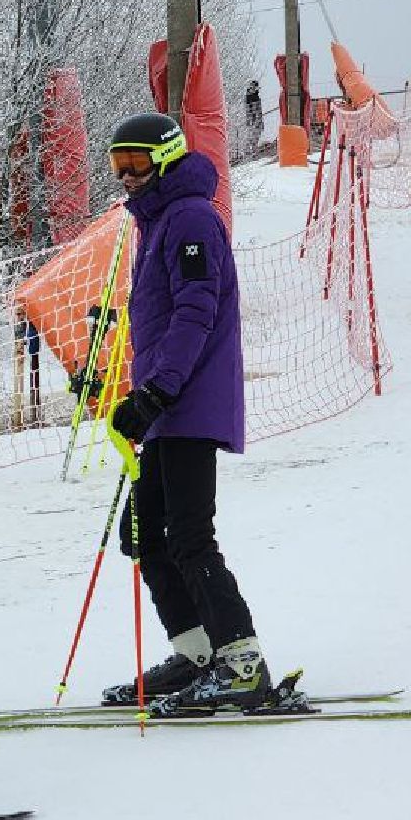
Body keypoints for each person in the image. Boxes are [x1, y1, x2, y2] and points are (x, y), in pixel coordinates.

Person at [91, 112, 284, 718]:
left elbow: (195, 314)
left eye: (137, 163)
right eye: (118, 163)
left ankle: (242, 662)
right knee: (142, 534)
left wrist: (158, 392)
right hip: (164, 407)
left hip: (189, 404)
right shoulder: (156, 222)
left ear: (167, 159)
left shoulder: (192, 218)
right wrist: (136, 394)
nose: (126, 176)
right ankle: (199, 653)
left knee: (189, 536)